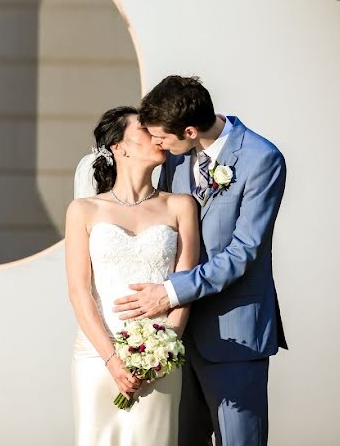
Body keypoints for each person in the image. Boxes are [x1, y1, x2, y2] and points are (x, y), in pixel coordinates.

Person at [113, 75, 288, 445]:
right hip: (173, 338)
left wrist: (171, 292)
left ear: (190, 130)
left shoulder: (262, 160)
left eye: (161, 137)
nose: (155, 145)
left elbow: (244, 251)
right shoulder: (176, 159)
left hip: (233, 332)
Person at [66, 105, 199, 445]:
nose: (157, 134)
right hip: (98, 356)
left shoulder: (180, 206)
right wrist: (112, 360)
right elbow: (80, 292)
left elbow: (185, 286)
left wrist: (164, 348)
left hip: (161, 360)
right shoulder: (84, 210)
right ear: (119, 147)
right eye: (144, 128)